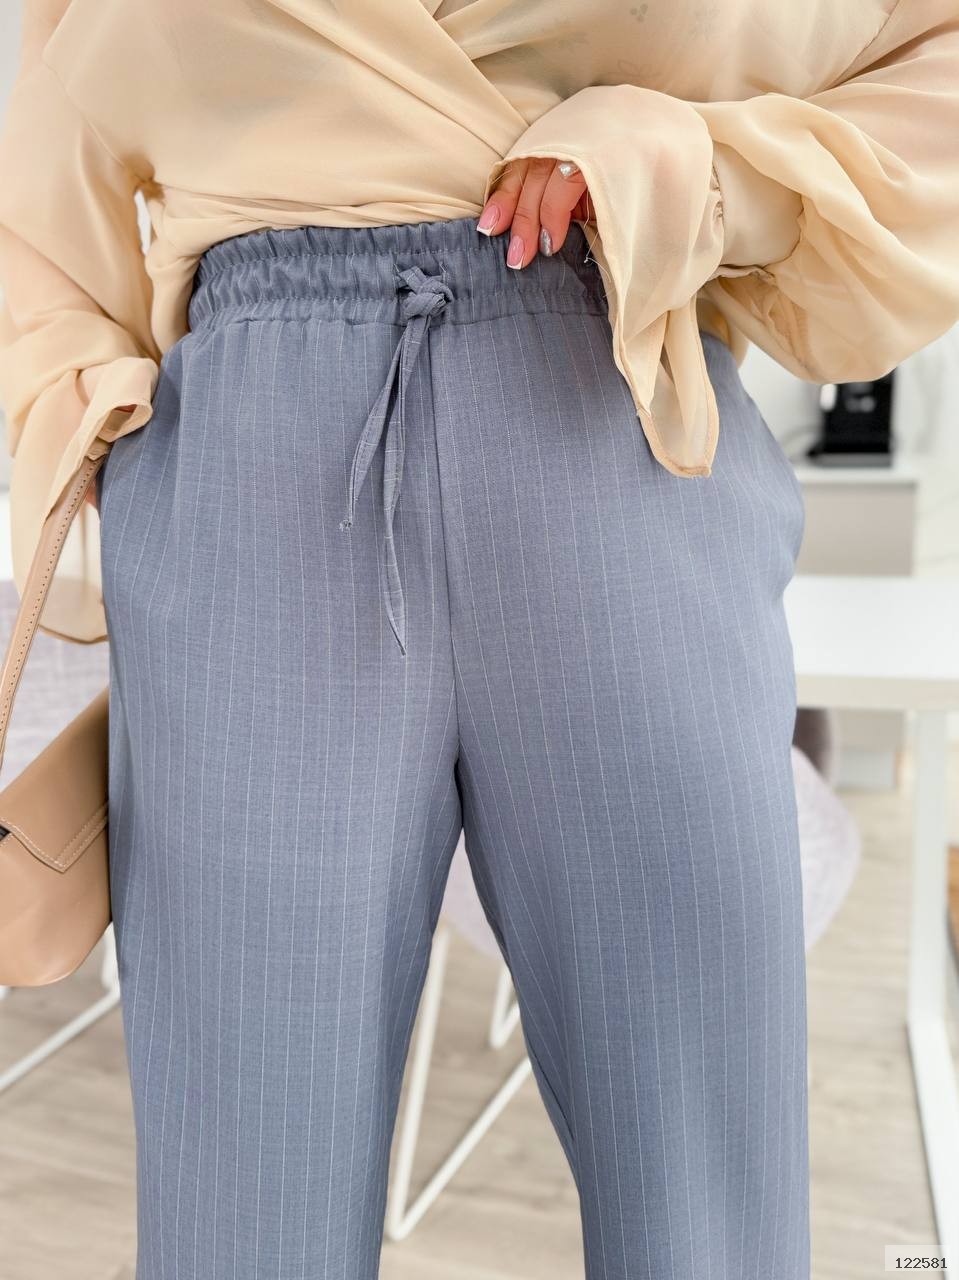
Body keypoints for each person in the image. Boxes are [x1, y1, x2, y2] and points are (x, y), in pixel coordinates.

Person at [1, 2, 958, 1277]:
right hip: (251, 459)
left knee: (707, 1185)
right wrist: (109, 415)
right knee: (241, 1200)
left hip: (613, 401)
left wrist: (708, 167)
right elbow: (42, 191)